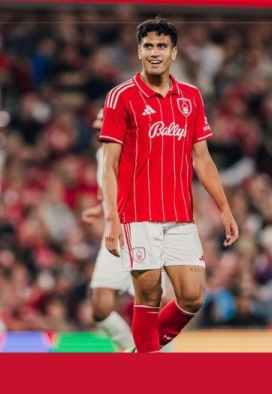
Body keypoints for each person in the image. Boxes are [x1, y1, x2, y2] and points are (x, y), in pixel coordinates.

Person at [100, 17, 238, 352]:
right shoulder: (121, 97)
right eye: (148, 46)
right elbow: (110, 165)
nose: (154, 52)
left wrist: (224, 208)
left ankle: (139, 354)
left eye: (162, 46)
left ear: (174, 52)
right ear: (139, 51)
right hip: (138, 214)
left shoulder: (190, 97)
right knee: (149, 295)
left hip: (180, 216)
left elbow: (202, 159)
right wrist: (112, 218)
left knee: (193, 296)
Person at [82, 108, 173, 351]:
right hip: (115, 235)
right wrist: (101, 209)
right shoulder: (102, 154)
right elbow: (113, 192)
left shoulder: (140, 150)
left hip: (144, 232)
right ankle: (134, 351)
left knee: (151, 307)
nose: (96, 126)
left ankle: (167, 361)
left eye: (101, 121)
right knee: (100, 308)